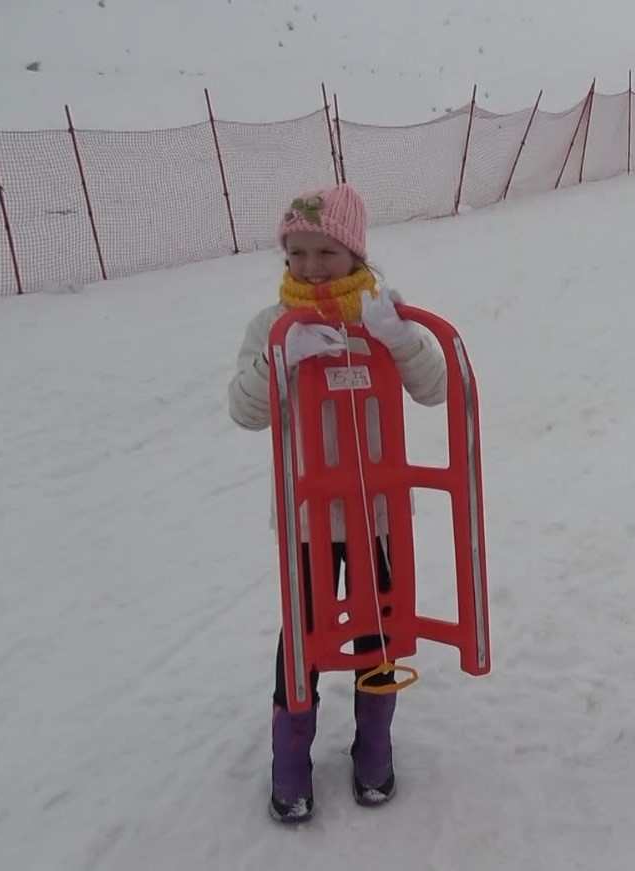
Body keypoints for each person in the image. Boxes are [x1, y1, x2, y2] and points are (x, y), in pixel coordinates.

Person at [228, 183, 450, 823]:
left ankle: (374, 746)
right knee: (302, 631)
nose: (311, 266)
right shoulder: (272, 326)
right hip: (309, 521)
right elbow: (244, 412)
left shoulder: (382, 312)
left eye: (326, 250)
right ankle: (290, 756)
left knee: (377, 624)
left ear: (355, 253)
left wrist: (397, 337)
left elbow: (435, 388)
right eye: (297, 252)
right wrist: (280, 361)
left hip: (376, 518)